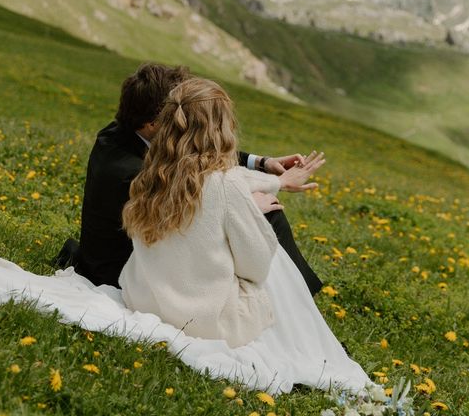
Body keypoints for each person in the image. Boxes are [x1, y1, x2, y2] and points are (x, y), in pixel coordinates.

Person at [120, 76, 369, 391]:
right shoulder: (226, 186)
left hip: (145, 298)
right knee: (276, 258)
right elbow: (255, 268)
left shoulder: (150, 175)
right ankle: (307, 341)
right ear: (221, 128)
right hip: (205, 319)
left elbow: (227, 181)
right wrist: (254, 213)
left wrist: (276, 181)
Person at [55, 62, 323, 295]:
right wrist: (248, 206)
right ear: (152, 123)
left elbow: (195, 153)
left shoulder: (121, 131)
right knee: (267, 216)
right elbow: (194, 221)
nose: (184, 120)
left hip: (144, 252)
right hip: (125, 274)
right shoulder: (131, 172)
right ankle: (299, 308)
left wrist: (262, 163)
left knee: (260, 211)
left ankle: (299, 302)